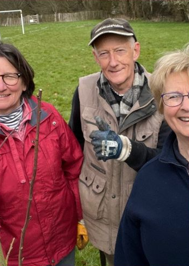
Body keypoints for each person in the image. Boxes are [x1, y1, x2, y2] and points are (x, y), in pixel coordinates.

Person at [0, 41, 84, 266]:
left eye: (10, 77)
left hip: (62, 245)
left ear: (24, 82)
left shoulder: (48, 116)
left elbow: (74, 168)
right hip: (16, 258)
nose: (0, 86)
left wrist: (81, 217)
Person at [69, 18, 170, 266]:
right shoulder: (84, 90)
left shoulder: (162, 92)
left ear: (136, 50)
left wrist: (127, 150)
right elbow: (74, 150)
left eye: (120, 51)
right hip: (101, 215)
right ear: (95, 57)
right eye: (104, 53)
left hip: (148, 212)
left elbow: (171, 161)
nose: (113, 62)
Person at [115, 45, 189, 266]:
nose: (186, 106)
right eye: (174, 96)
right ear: (162, 106)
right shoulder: (148, 180)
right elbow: (129, 258)